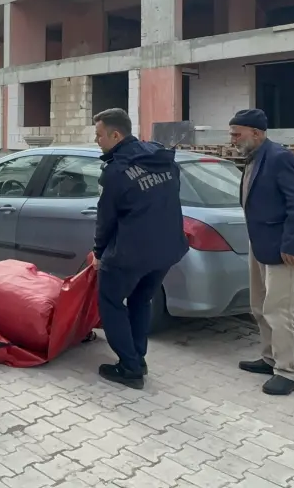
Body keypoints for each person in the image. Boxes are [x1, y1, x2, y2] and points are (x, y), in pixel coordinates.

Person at [88, 108, 188, 390]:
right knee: (140, 301)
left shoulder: (116, 171)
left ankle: (130, 368)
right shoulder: (162, 158)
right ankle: (138, 358)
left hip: (131, 252)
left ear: (115, 134)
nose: (97, 141)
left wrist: (98, 252)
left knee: (110, 302)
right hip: (166, 249)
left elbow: (106, 218)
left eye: (99, 135)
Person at [229, 108, 294, 396]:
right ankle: (269, 359)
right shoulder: (254, 159)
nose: (233, 139)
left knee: (280, 311)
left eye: (237, 134)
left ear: (256, 133)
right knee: (259, 306)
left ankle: (287, 373)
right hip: (260, 243)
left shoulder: (280, 158)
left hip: (281, 249)